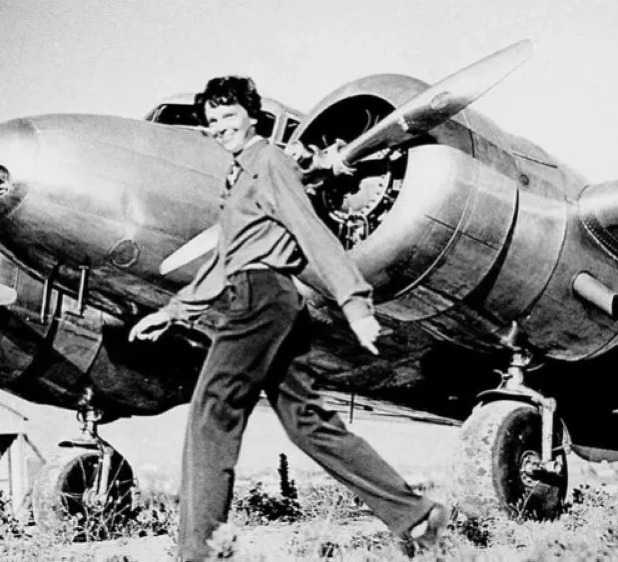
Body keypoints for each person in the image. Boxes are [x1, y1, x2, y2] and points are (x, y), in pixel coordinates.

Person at [129, 76, 448, 561]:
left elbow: (311, 231)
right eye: (212, 120)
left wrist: (355, 304)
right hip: (269, 300)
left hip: (261, 299)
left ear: (251, 117)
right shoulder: (241, 175)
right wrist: (174, 312)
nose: (220, 126)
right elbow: (225, 259)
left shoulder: (270, 163)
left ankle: (200, 551)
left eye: (229, 116)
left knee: (212, 412)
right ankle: (415, 516)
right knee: (307, 422)